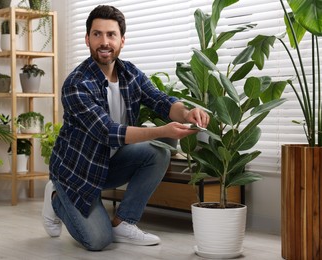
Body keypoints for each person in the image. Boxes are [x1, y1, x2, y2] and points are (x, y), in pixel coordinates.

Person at [42, 5, 210, 251]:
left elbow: (161, 101)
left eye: (111, 35)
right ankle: (56, 197)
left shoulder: (130, 73)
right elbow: (108, 133)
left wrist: (187, 113)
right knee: (98, 241)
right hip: (77, 173)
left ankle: (124, 222)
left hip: (109, 165)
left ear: (122, 40)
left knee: (158, 152)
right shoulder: (77, 84)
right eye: (97, 34)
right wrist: (163, 131)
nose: (104, 42)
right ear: (87, 39)